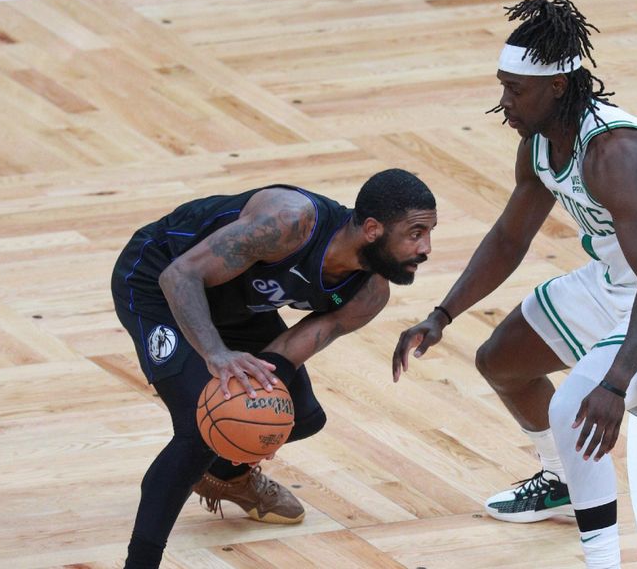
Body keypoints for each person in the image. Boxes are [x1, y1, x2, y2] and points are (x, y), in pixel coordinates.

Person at [393, 0, 637, 569]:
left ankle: (602, 557)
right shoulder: (538, 145)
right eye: (503, 86)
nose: (503, 103)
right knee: (501, 360)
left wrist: (616, 383)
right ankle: (560, 480)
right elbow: (509, 238)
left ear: (556, 86)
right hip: (617, 281)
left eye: (515, 90)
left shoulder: (614, 153)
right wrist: (442, 315)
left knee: (578, 405)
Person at [112, 168, 437, 568]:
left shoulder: (368, 294)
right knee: (199, 432)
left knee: (298, 417)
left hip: (237, 307)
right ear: (372, 229)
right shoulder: (289, 221)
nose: (426, 248)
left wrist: (253, 423)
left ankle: (226, 474)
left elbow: (282, 357)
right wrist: (215, 354)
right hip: (158, 281)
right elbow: (180, 275)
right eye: (416, 233)